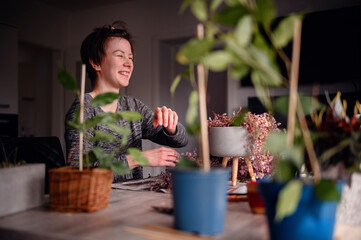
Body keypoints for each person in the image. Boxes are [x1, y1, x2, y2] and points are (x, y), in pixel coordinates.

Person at [65, 21, 188, 182]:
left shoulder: (133, 106)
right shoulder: (84, 110)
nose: (129, 63)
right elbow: (78, 174)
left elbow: (182, 140)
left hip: (132, 199)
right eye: (120, 55)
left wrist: (171, 127)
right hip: (98, 202)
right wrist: (136, 159)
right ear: (95, 62)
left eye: (130, 57)